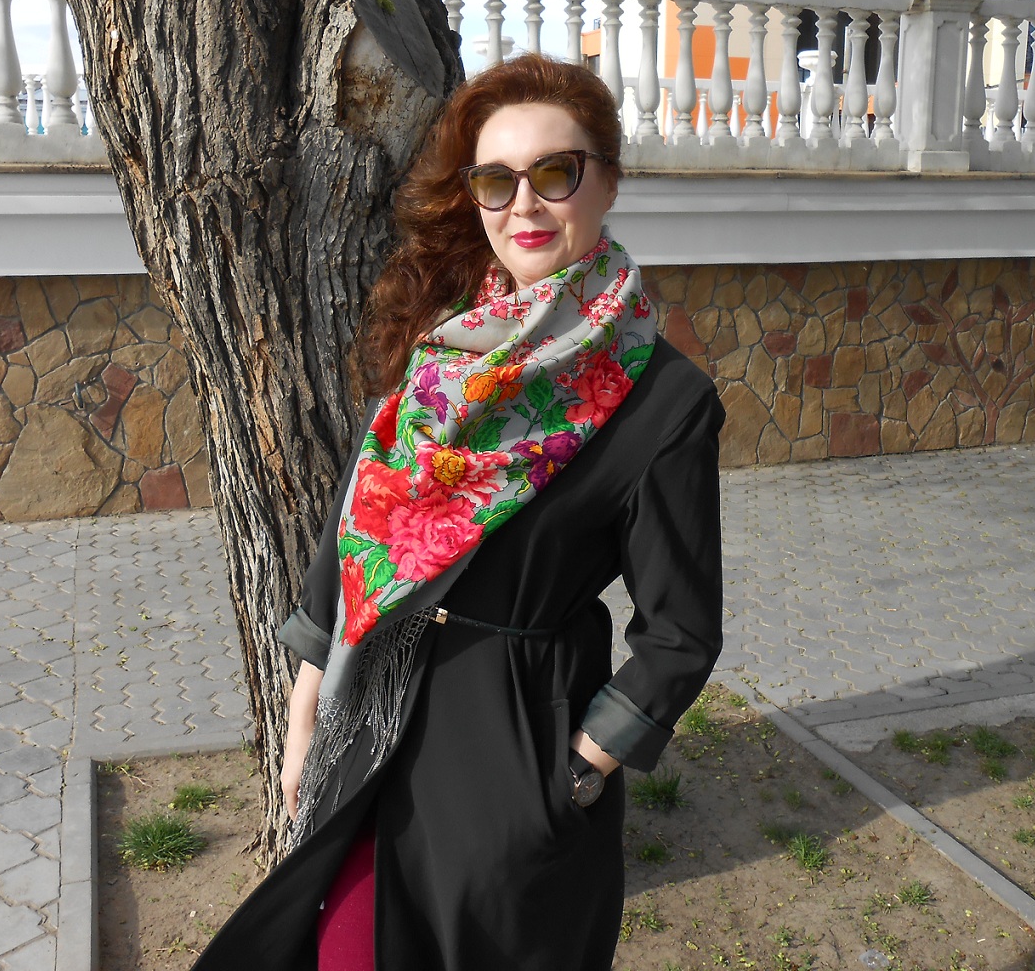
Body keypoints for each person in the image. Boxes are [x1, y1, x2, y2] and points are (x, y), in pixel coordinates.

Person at [195, 54, 725, 971]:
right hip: (370, 724)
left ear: (607, 180)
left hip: (509, 753)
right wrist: (306, 704)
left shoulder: (662, 399)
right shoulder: (447, 348)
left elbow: (680, 634)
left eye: (555, 172)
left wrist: (575, 771)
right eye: (496, 180)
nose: (525, 205)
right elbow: (360, 519)